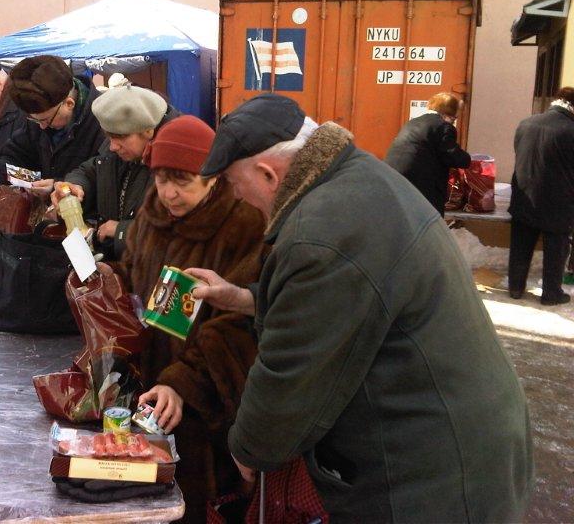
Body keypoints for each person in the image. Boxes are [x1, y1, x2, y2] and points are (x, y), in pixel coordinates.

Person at [186, 94, 533, 523]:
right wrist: (242, 297)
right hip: (459, 443)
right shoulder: (354, 177)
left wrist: (250, 448)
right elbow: (351, 299)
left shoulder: (322, 230)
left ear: (268, 174)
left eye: (237, 186)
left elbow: (292, 372)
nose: (239, 198)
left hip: (431, 476)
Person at [109, 115, 267, 523]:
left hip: (205, 404)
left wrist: (183, 382)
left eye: (184, 181)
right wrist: (105, 286)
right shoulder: (150, 217)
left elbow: (238, 325)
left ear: (212, 178)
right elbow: (135, 278)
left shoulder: (243, 224)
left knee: (197, 504)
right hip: (149, 389)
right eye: (162, 180)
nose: (170, 193)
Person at [50, 81, 179, 259]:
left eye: (119, 138)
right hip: (118, 267)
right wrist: (75, 186)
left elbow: (178, 233)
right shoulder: (122, 151)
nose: (112, 146)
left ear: (148, 131)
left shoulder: (177, 165)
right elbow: (91, 170)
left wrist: (122, 231)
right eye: (108, 137)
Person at [0, 55, 104, 195]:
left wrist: (58, 184)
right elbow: (13, 155)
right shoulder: (37, 120)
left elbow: (101, 177)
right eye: (35, 120)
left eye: (46, 120)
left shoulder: (102, 121)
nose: (42, 127)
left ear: (69, 104)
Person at [508, 87, 574, 305]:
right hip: (557, 201)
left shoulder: (526, 123)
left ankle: (516, 288)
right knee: (556, 249)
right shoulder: (570, 129)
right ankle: (551, 293)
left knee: (520, 245)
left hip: (523, 196)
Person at [384, 92, 471, 215]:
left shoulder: (412, 123)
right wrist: (469, 159)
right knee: (429, 223)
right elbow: (453, 156)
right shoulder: (443, 126)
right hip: (420, 186)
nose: (454, 122)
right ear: (448, 114)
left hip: (393, 179)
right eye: (454, 118)